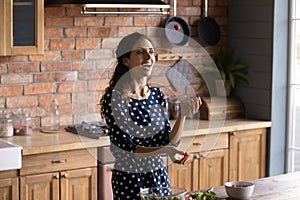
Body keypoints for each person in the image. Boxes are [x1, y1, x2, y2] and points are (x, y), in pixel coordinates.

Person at [100, 32, 202, 200]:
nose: (149, 56)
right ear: (126, 61)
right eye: (140, 52)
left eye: (151, 51)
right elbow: (128, 149)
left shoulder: (157, 95)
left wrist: (182, 115)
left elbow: (170, 140)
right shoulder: (115, 99)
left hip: (158, 174)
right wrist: (165, 150)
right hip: (130, 179)